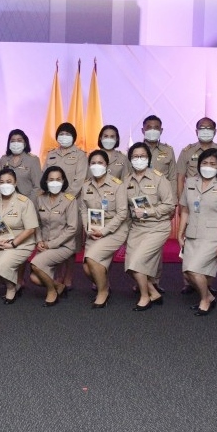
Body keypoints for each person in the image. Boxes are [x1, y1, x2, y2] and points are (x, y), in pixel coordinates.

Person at [177, 148, 217, 316]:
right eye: (204, 163)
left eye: (212, 164)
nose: (208, 166)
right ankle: (209, 296)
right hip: (192, 233)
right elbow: (185, 209)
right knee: (187, 273)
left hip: (213, 235)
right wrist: (180, 233)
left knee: (194, 269)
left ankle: (205, 299)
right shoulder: (190, 182)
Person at [124, 143, 175, 310]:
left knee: (136, 262)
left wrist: (148, 212)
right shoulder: (126, 181)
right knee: (129, 266)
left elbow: (169, 205)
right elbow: (125, 209)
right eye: (135, 156)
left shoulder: (159, 178)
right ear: (130, 159)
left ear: (148, 158)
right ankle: (153, 292)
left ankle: (145, 296)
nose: (139, 159)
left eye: (142, 156)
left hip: (157, 227)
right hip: (137, 228)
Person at [78, 150, 129, 308]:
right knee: (87, 268)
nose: (96, 166)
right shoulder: (86, 185)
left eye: (100, 163)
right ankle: (105, 284)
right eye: (93, 163)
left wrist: (104, 231)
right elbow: (83, 210)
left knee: (91, 259)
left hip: (114, 230)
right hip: (94, 230)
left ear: (106, 165)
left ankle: (102, 292)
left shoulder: (117, 185)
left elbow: (122, 213)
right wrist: (88, 229)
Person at [44, 122, 88, 290]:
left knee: (70, 242)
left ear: (74, 137)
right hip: (52, 202)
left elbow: (80, 179)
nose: (64, 137)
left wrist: (65, 199)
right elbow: (45, 176)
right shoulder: (51, 154)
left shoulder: (80, 155)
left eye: (67, 134)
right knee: (55, 239)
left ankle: (68, 277)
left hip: (72, 203)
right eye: (61, 134)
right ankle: (57, 276)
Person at [0, 167, 38, 304]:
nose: (5, 185)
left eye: (9, 182)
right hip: (0, 242)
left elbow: (31, 229)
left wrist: (13, 243)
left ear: (15, 183)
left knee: (2, 266)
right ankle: (17, 282)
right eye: (2, 182)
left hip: (21, 243)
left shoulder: (24, 202)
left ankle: (11, 288)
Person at [29, 166, 77, 306]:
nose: (54, 182)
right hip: (44, 244)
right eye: (51, 179)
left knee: (35, 265)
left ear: (63, 181)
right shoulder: (40, 198)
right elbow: (37, 223)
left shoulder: (69, 200)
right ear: (46, 181)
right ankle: (59, 286)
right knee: (34, 278)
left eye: (58, 179)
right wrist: (39, 241)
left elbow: (72, 228)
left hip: (63, 245)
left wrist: (50, 244)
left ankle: (52, 291)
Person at [2, 129, 43, 203]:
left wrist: (28, 203)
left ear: (25, 143)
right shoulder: (4, 159)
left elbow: (38, 186)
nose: (16, 143)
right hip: (6, 202)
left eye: (19, 140)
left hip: (27, 202)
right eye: (13, 141)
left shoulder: (33, 160)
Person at [140, 115, 176, 184]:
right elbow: (127, 176)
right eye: (149, 128)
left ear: (161, 131)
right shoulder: (134, 151)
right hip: (141, 189)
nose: (152, 131)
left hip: (163, 189)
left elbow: (173, 178)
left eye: (156, 128)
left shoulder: (168, 150)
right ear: (142, 130)